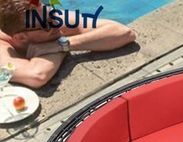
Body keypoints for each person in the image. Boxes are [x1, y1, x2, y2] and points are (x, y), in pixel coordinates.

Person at [0, 0, 136, 89]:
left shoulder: (47, 18)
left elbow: (125, 33)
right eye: (47, 25)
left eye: (52, 15)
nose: (57, 24)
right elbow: (36, 75)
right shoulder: (3, 48)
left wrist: (61, 44)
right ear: (21, 37)